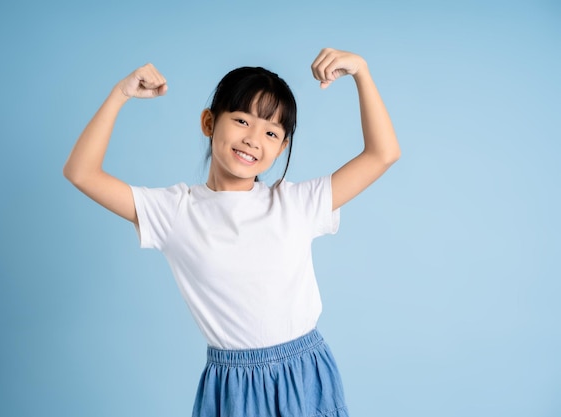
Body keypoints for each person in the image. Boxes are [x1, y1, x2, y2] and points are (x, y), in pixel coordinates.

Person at [64, 47, 400, 417]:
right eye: (242, 121)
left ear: (282, 147)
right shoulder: (174, 212)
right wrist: (120, 94)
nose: (254, 138)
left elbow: (382, 153)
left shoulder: (296, 203)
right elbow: (81, 172)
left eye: (272, 132)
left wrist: (362, 73)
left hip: (305, 373)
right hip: (233, 387)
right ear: (209, 123)